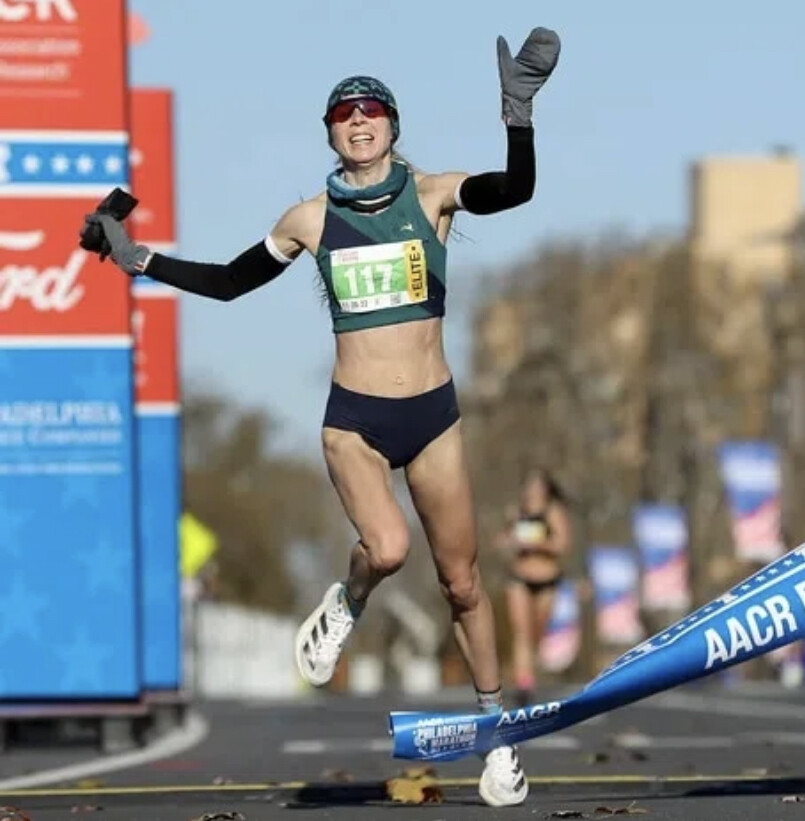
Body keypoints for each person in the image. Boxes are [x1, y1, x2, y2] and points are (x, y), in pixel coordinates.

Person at [80, 26, 562, 809]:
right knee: (389, 547)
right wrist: (135, 258)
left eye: (372, 110)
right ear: (331, 134)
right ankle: (350, 598)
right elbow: (230, 281)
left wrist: (519, 116)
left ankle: (497, 736)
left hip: (434, 416)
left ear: (393, 125)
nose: (359, 120)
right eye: (344, 114)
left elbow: (516, 189)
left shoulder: (433, 195)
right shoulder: (308, 220)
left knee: (464, 583)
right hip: (356, 420)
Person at [494, 468, 572, 706]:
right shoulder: (517, 512)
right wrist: (509, 541)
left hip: (546, 578)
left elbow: (561, 545)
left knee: (536, 632)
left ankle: (529, 672)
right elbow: (501, 539)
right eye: (528, 485)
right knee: (521, 632)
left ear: (546, 489)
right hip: (519, 577)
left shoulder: (553, 512)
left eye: (537, 486)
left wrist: (537, 544)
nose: (532, 491)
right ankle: (523, 683)